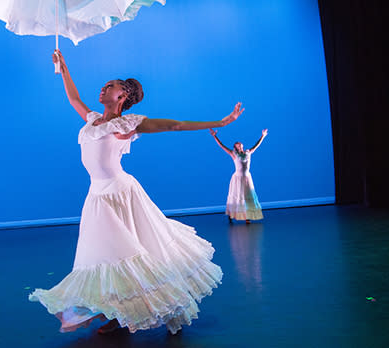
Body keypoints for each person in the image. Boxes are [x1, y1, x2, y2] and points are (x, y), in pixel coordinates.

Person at [29, 50, 244, 335]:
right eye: (104, 85)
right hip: (96, 197)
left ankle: (157, 308)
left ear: (123, 96)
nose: (104, 87)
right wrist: (63, 67)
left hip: (121, 195)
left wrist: (220, 123)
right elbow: (73, 98)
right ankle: (117, 313)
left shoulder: (128, 123)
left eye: (111, 85)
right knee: (104, 257)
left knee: (135, 252)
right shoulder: (92, 120)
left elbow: (174, 125)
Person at [209, 128, 267, 223]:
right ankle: (232, 214)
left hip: (247, 178)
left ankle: (247, 217)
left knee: (247, 197)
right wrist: (215, 136)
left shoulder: (248, 152)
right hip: (238, 178)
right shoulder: (233, 154)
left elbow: (256, 145)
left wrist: (262, 136)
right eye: (237, 144)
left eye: (240, 144)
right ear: (235, 147)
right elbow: (222, 146)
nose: (239, 145)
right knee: (238, 197)